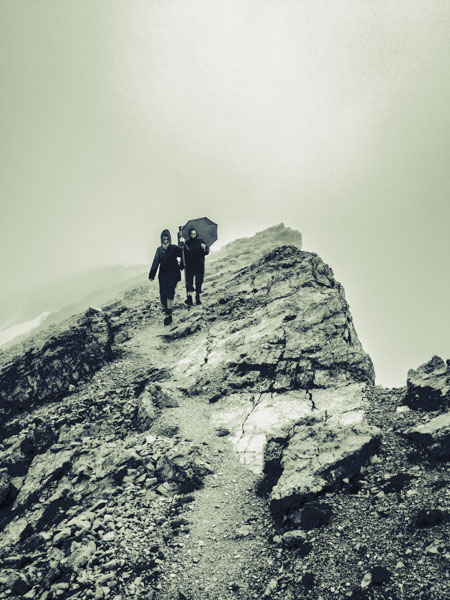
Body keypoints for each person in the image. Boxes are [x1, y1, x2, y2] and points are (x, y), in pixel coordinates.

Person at [148, 229, 183, 325]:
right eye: (164, 239)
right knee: (163, 294)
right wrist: (152, 275)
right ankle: (167, 309)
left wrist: (182, 244)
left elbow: (184, 254)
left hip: (173, 273)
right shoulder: (159, 250)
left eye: (167, 239)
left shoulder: (174, 248)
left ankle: (169, 314)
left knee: (170, 292)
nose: (166, 240)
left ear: (170, 239)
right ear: (161, 239)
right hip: (163, 275)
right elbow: (155, 262)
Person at [179, 227, 209, 305]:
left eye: (194, 234)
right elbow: (183, 254)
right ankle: (189, 299)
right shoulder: (186, 243)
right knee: (189, 282)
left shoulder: (201, 241)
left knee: (199, 281)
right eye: (192, 234)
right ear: (189, 234)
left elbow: (207, 252)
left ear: (196, 234)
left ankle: (197, 298)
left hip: (199, 265)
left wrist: (204, 248)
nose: (193, 235)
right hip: (189, 266)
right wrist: (182, 264)